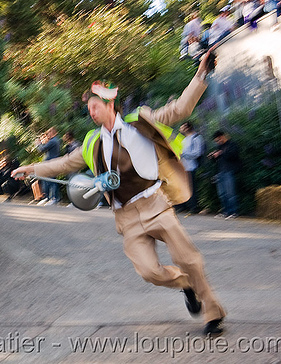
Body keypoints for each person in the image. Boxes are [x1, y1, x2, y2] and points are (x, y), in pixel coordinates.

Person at [12, 52, 226, 336]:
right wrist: (32, 168)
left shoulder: (141, 122)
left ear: (109, 104)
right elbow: (63, 163)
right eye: (88, 107)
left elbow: (180, 109)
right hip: (126, 217)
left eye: (95, 105)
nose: (90, 111)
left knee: (189, 258)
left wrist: (201, 75)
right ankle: (185, 284)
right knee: (150, 272)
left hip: (156, 204)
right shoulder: (92, 143)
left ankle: (212, 313)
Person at [208, 130, 241, 219]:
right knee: (222, 194)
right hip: (220, 172)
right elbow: (215, 161)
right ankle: (225, 211)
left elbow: (234, 155)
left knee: (230, 193)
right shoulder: (219, 147)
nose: (218, 142)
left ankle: (234, 212)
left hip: (229, 171)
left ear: (223, 136)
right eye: (216, 141)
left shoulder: (232, 144)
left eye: (218, 140)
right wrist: (213, 156)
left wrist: (221, 153)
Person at [178, 122, 205, 213]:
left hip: (191, 167)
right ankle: (183, 207)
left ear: (187, 127)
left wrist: (184, 154)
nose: (180, 129)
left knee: (191, 188)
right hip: (182, 167)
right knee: (182, 187)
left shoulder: (196, 138)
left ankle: (193, 207)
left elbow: (198, 153)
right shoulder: (184, 140)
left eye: (182, 127)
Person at [36, 127, 61, 206]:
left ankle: (54, 198)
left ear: (53, 133)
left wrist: (38, 144)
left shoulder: (53, 141)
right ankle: (49, 197)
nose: (47, 135)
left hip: (51, 164)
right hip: (51, 163)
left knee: (52, 181)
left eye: (49, 133)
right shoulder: (55, 140)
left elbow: (41, 149)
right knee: (48, 180)